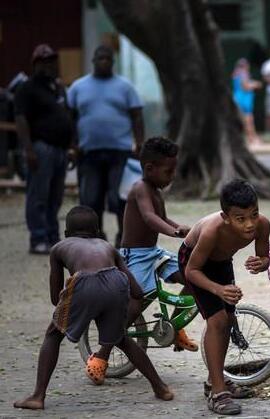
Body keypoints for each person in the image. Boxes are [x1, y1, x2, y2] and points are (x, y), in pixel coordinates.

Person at [13, 206, 173, 410]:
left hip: (84, 283)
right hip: (117, 281)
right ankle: (161, 388)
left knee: (53, 335)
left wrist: (76, 306)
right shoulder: (108, 246)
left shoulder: (59, 247)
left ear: (66, 233)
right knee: (121, 339)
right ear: (97, 232)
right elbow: (138, 292)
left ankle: (37, 396)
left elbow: (56, 298)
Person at [88, 137, 197, 380]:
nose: (172, 175)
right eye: (169, 171)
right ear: (149, 169)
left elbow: (163, 219)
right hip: (135, 257)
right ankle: (101, 354)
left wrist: (182, 229)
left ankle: (176, 326)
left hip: (153, 253)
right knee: (135, 305)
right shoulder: (140, 189)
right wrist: (174, 232)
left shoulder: (156, 190)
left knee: (191, 275)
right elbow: (149, 218)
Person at [178, 180, 270, 415]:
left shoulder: (262, 225)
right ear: (226, 217)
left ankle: (214, 380)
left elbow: (265, 257)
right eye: (241, 218)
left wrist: (261, 263)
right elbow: (191, 271)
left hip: (222, 262)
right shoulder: (212, 231)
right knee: (217, 321)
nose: (250, 224)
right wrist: (218, 290)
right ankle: (218, 393)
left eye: (254, 214)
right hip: (195, 263)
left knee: (228, 321)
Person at [68, 45, 145, 246]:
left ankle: (123, 238)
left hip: (119, 153)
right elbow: (70, 118)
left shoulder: (125, 86)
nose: (104, 61)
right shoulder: (78, 86)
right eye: (100, 58)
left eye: (107, 58)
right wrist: (72, 145)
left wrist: (139, 144)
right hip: (89, 153)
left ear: (113, 61)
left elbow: (137, 116)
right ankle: (95, 239)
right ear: (93, 60)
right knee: (91, 199)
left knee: (120, 199)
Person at [14, 44, 73, 254]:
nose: (50, 65)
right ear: (36, 64)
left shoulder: (57, 88)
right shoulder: (26, 88)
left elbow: (66, 116)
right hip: (41, 148)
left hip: (60, 150)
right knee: (39, 195)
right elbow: (20, 120)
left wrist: (71, 146)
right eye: (45, 61)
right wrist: (28, 150)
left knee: (55, 197)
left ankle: (52, 236)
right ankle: (38, 238)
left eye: (52, 61)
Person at [232, 58, 262, 144]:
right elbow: (245, 86)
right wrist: (256, 85)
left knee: (243, 120)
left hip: (240, 98)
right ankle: (252, 138)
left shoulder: (236, 73)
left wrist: (253, 83)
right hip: (243, 99)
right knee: (248, 120)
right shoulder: (243, 73)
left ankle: (249, 138)